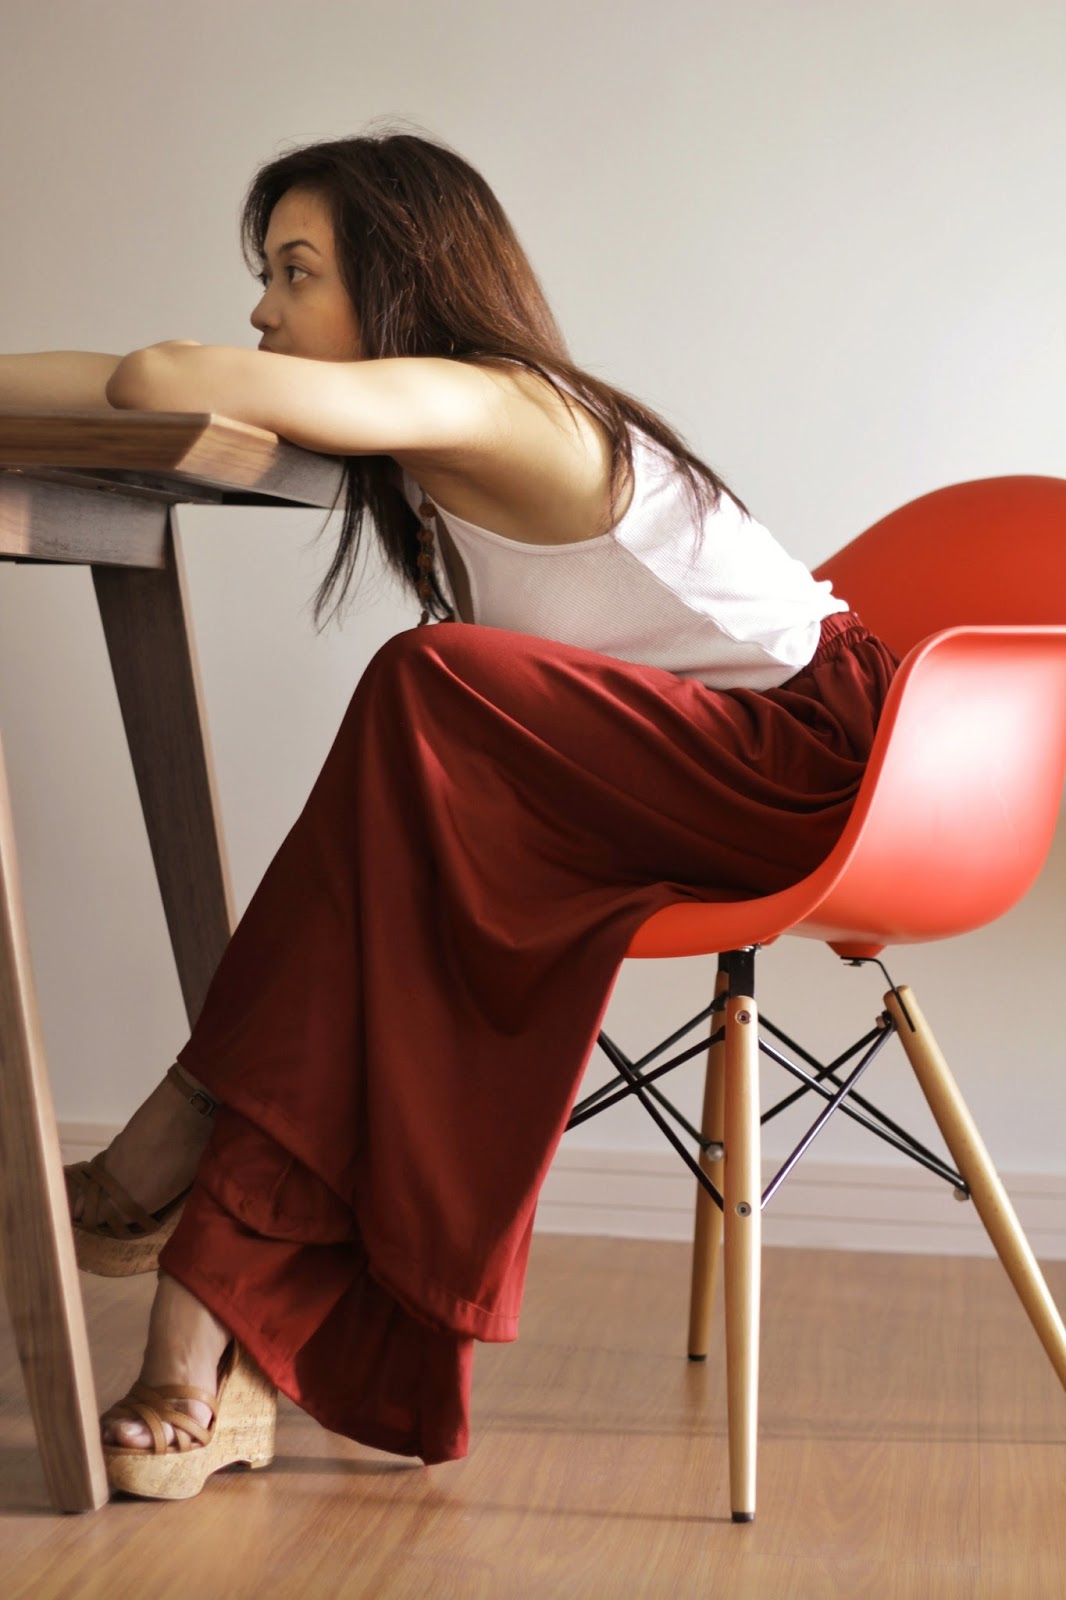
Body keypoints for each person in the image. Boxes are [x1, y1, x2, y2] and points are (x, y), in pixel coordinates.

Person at [4, 131, 898, 1500]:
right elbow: (117, 378)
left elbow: (159, 377)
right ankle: (214, 1338)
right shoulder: (430, 429)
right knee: (388, 892)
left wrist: (168, 365)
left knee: (426, 681)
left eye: (295, 272)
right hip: (656, 766)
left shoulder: (495, 401)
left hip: (804, 767)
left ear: (401, 280)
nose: (262, 310)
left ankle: (185, 1140)